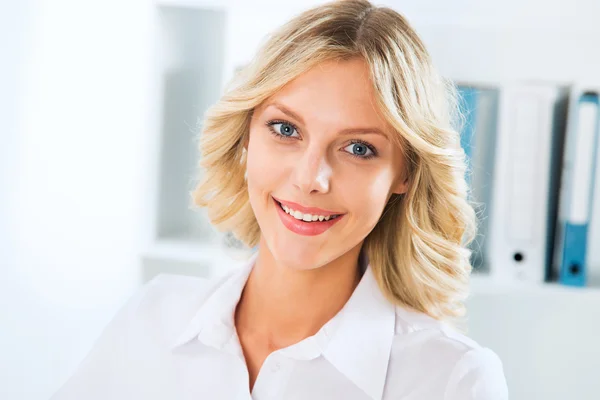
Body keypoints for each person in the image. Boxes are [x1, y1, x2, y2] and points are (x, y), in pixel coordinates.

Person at [50, 0, 508, 399]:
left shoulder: (452, 380)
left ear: (403, 173)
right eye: (286, 130)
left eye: (358, 148)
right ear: (245, 136)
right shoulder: (155, 319)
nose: (311, 178)